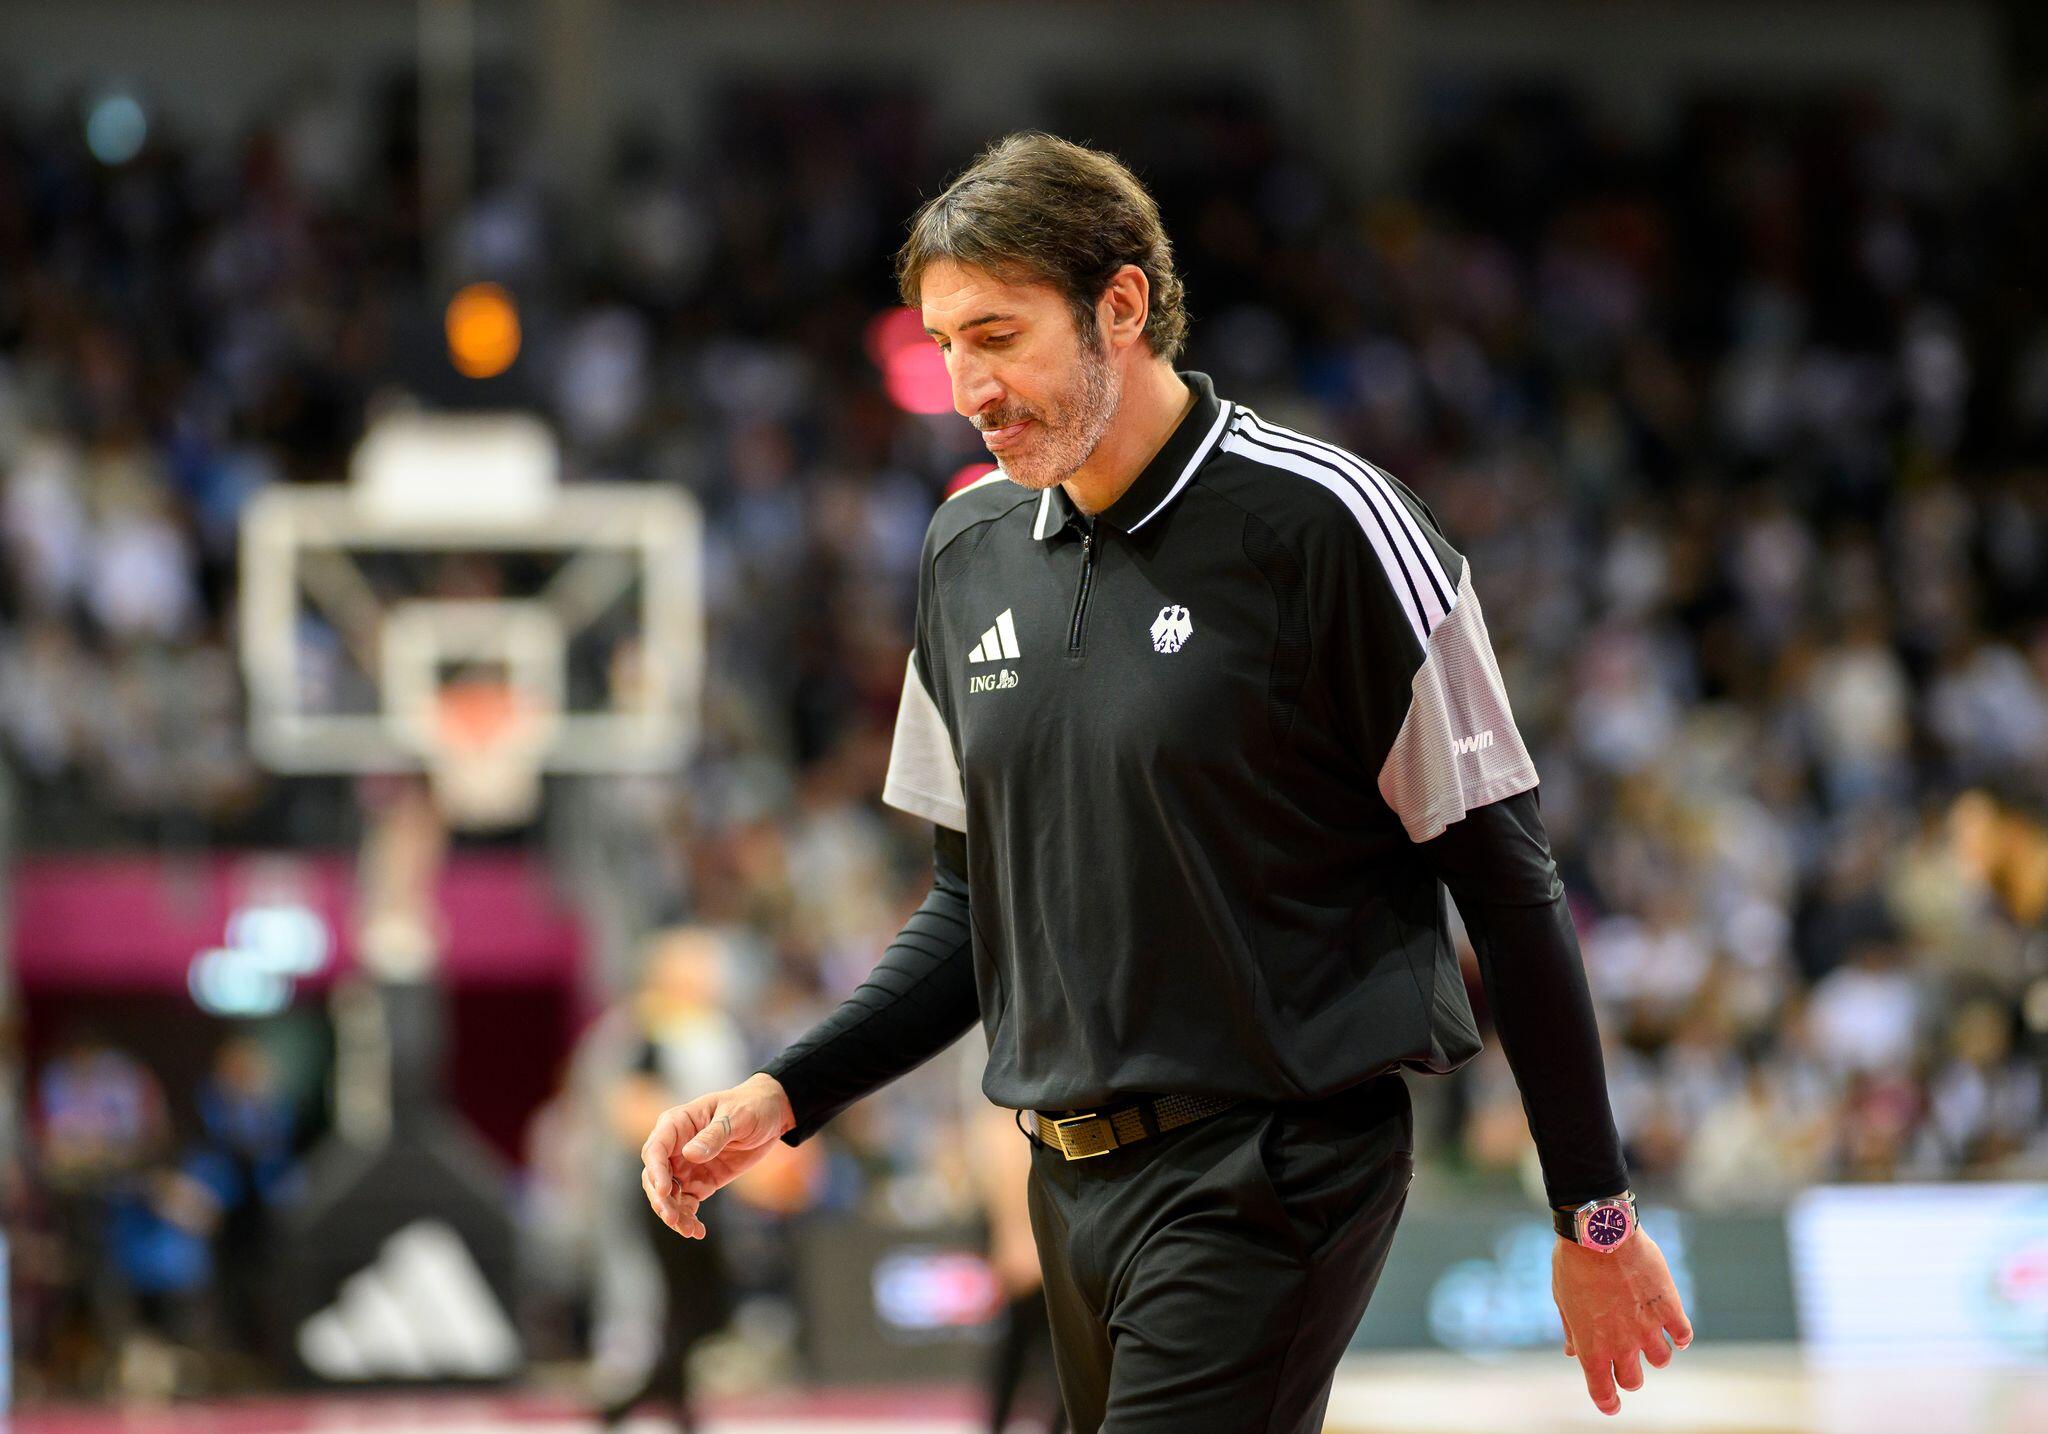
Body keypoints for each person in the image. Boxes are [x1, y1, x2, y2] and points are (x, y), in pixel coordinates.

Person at [642, 132, 1693, 1430]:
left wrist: (1593, 1212)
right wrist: (786, 1093)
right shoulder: (965, 550)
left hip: (1276, 1168)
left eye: (999, 335)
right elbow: (974, 914)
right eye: (945, 343)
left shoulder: (1331, 525)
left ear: (1122, 306)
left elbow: (1510, 886)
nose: (968, 385)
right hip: (1065, 1181)